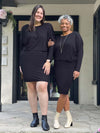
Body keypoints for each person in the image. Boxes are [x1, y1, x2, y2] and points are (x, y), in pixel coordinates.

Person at [19, 5, 55, 131]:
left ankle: (44, 118)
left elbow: (52, 45)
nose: (40, 15)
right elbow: (22, 48)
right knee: (31, 87)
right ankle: (35, 117)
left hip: (42, 60)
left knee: (42, 86)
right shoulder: (25, 29)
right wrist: (20, 64)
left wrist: (48, 61)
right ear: (33, 13)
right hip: (27, 60)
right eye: (38, 12)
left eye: (42, 13)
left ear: (43, 15)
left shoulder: (48, 27)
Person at [48, 14, 83, 129]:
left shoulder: (76, 36)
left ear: (70, 24)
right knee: (65, 94)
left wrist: (77, 69)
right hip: (58, 67)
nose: (64, 25)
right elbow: (53, 54)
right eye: (62, 23)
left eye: (66, 23)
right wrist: (49, 46)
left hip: (70, 67)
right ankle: (69, 118)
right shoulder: (58, 38)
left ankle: (56, 118)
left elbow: (80, 54)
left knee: (62, 94)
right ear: (60, 24)